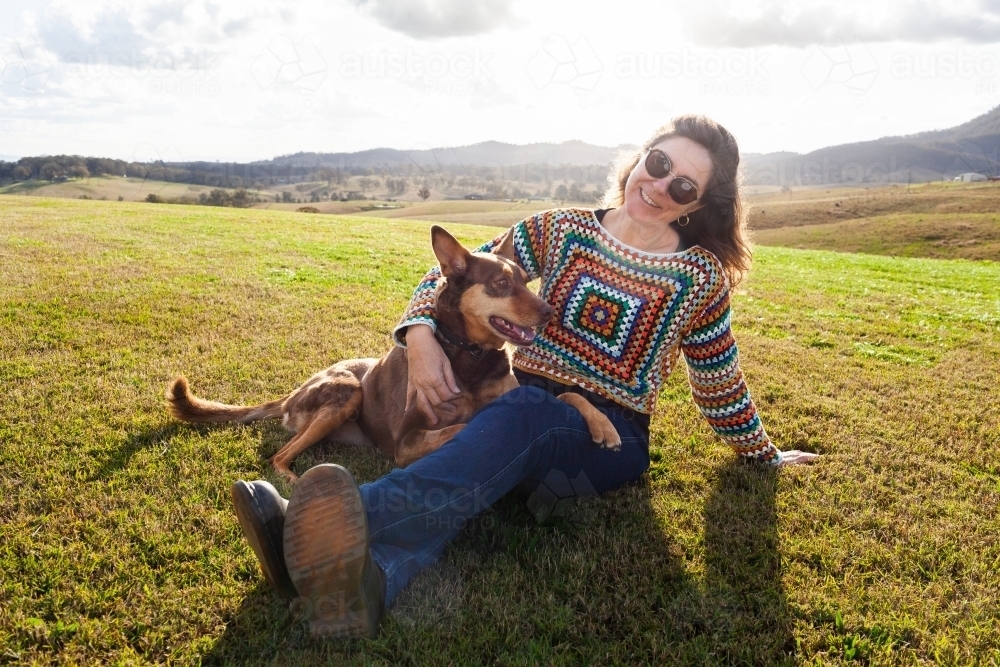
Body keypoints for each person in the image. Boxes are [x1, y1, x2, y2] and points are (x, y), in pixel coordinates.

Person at [230, 114, 820, 639]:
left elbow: (719, 380)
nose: (660, 186)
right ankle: (371, 585)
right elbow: (453, 278)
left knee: (521, 417)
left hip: (607, 437)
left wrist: (763, 453)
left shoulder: (700, 278)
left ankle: (326, 520)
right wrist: (419, 337)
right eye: (658, 163)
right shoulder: (558, 230)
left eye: (683, 186)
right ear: (639, 159)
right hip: (512, 407)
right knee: (484, 459)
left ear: (698, 204)